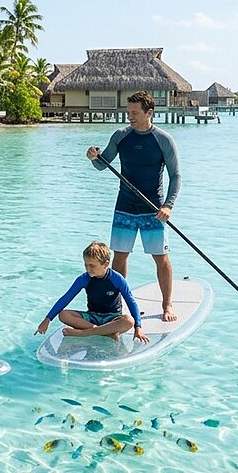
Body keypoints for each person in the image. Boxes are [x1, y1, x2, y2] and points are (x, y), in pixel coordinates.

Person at [86, 91, 181, 321]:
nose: (130, 117)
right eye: (128, 112)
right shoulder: (120, 136)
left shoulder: (163, 139)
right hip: (125, 206)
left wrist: (168, 205)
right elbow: (102, 165)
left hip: (153, 209)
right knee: (119, 258)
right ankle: (117, 307)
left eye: (135, 113)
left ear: (149, 113)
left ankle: (167, 305)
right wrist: (93, 157)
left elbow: (176, 176)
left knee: (161, 258)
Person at [34, 241, 147, 344]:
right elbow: (66, 298)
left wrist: (138, 327)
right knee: (63, 314)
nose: (88, 269)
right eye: (86, 264)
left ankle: (84, 333)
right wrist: (47, 319)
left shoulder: (117, 279)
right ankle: (106, 332)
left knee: (128, 321)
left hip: (112, 318)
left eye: (92, 265)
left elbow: (131, 301)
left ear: (105, 264)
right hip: (92, 317)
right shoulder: (84, 279)